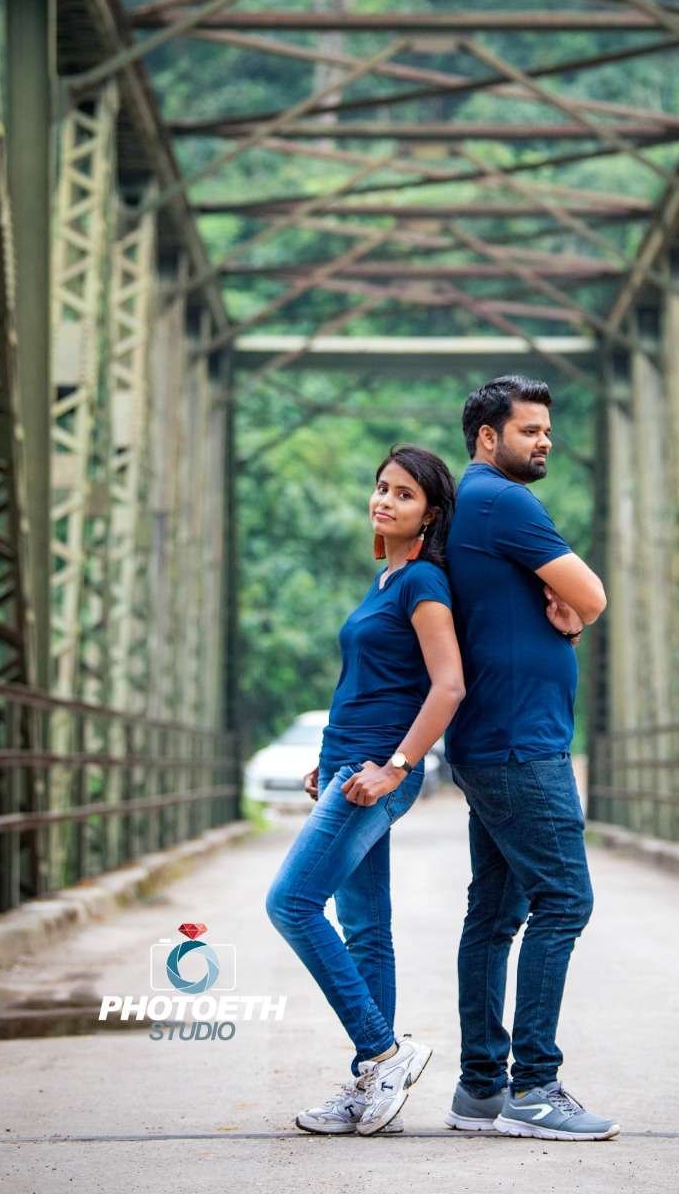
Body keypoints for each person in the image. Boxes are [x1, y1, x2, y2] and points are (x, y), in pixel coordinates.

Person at [264, 444, 465, 1137]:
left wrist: (397, 767)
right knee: (366, 929)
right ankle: (371, 1083)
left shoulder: (423, 583)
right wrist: (325, 764)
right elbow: (366, 686)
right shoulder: (385, 581)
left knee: (291, 903)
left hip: (375, 771)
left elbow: (448, 686)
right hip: (346, 766)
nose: (385, 500)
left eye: (404, 494)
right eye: (382, 487)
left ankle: (384, 1052)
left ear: (430, 514)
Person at [442, 375, 619, 1141]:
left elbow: (542, 611)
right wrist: (577, 614)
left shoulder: (466, 506)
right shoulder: (503, 502)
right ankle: (535, 1088)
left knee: (494, 915)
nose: (545, 441)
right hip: (520, 744)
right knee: (564, 900)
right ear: (488, 437)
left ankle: (481, 1088)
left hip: (492, 739)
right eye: (529, 430)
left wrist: (565, 621)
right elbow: (592, 594)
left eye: (548, 430)